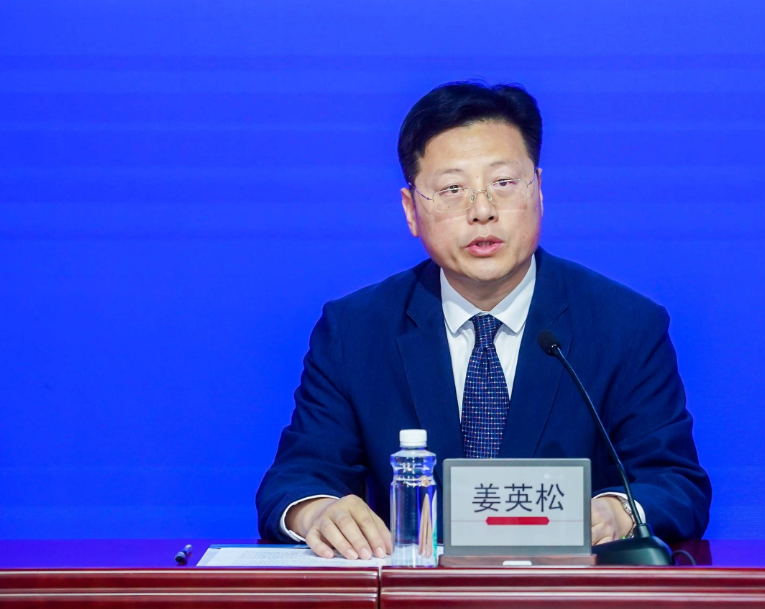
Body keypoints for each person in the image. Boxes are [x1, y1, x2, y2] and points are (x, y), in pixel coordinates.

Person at [256, 81, 711, 560]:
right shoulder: (355, 330)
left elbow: (674, 481)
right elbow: (297, 478)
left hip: (566, 592)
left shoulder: (626, 325)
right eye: (452, 190)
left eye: (503, 183)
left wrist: (618, 511)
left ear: (539, 190)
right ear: (411, 210)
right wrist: (318, 512)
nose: (482, 211)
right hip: (420, 594)